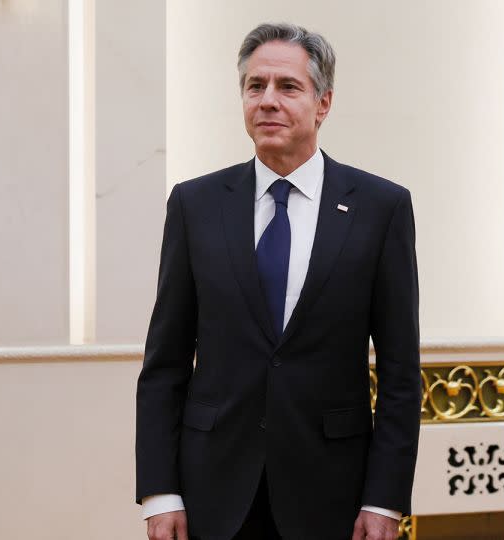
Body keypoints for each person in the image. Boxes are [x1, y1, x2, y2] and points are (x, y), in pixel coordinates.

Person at [136, 23, 421, 540]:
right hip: (212, 493)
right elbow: (164, 364)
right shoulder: (195, 205)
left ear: (323, 103)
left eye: (287, 87)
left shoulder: (381, 208)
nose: (267, 100)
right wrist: (160, 491)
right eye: (254, 86)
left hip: (333, 492)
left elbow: (401, 375)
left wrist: (385, 498)